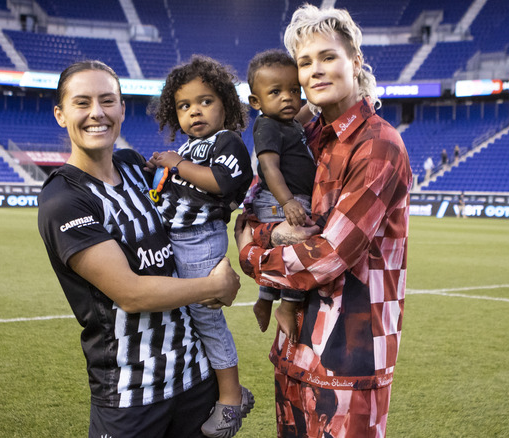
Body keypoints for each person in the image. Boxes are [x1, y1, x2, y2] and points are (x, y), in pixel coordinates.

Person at [37, 60, 242, 438]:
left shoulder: (134, 166)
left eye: (107, 101)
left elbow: (197, 202)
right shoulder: (64, 200)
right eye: (82, 103)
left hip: (196, 379)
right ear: (60, 114)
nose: (96, 113)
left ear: (122, 109)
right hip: (133, 393)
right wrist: (214, 286)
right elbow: (130, 294)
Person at [235, 5, 412, 437]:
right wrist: (264, 229)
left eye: (328, 57)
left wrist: (251, 249)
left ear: (355, 62)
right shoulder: (308, 137)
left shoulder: (378, 146)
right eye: (305, 62)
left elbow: (328, 256)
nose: (315, 70)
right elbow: (256, 208)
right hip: (295, 349)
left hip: (349, 360)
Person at [148, 54, 254, 438]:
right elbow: (166, 191)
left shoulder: (227, 142)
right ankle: (201, 386)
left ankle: (231, 398)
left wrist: (176, 165)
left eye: (205, 101)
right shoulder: (188, 149)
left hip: (199, 240)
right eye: (184, 105)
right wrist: (157, 173)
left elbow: (222, 182)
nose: (195, 112)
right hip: (172, 239)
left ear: (226, 103)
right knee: (183, 316)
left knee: (206, 317)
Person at [245, 49, 316, 335]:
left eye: (294, 90)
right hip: (281, 200)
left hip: (288, 199)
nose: (287, 97)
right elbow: (270, 167)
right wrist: (287, 202)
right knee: (299, 250)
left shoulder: (290, 121)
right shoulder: (267, 125)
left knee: (280, 251)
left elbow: (307, 110)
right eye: (276, 92)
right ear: (256, 101)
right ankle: (287, 306)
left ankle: (264, 300)